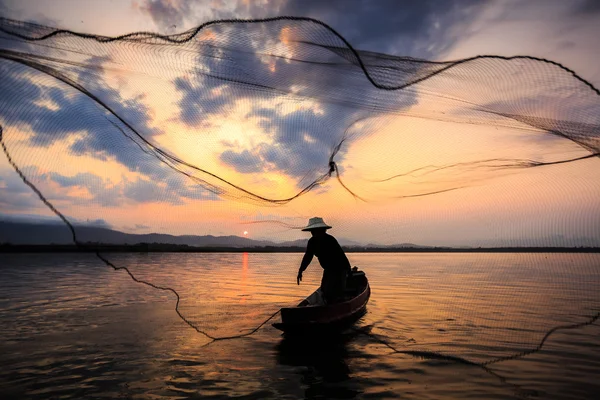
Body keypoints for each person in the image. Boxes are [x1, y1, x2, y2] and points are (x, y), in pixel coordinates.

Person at [297, 217, 351, 304]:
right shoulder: (312, 242)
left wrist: (348, 270)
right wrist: (301, 270)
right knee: (325, 290)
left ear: (323, 230)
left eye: (316, 231)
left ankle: (338, 303)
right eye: (312, 231)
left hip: (340, 268)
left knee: (337, 292)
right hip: (328, 269)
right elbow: (308, 256)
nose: (313, 233)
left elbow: (341, 256)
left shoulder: (330, 240)